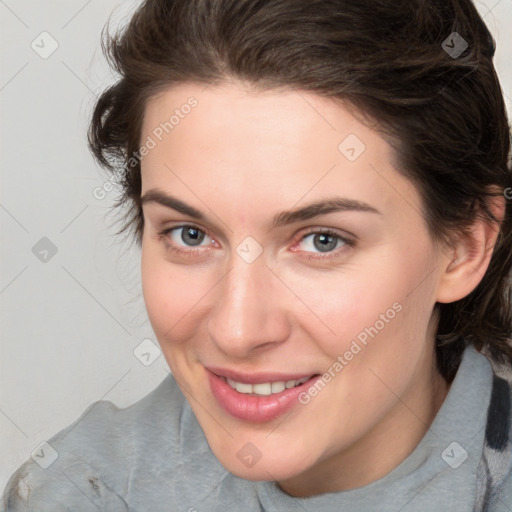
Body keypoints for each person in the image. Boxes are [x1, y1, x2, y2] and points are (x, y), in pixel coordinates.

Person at [3, 0, 512, 510]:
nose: (237, 331)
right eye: (190, 234)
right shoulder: (78, 493)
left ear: (465, 247)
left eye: (322, 240)